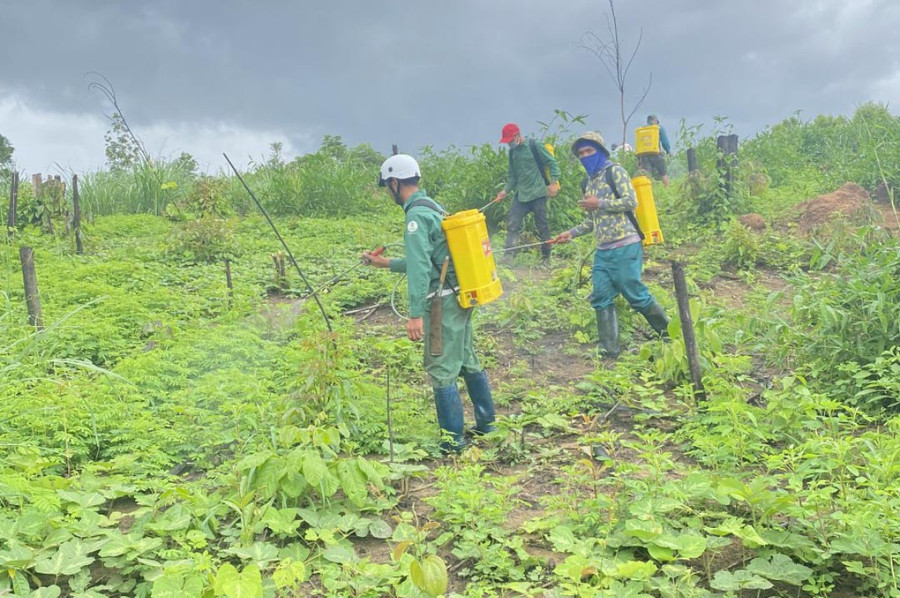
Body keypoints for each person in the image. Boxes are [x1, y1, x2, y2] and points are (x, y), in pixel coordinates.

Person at [362, 154, 496, 453]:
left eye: (388, 186)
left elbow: (422, 268)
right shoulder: (432, 206)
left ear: (395, 183)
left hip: (441, 303)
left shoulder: (415, 217)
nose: (388, 192)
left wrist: (414, 315)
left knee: (440, 365)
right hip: (460, 294)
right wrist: (386, 263)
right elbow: (430, 258)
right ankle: (488, 425)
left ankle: (453, 442)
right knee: (467, 358)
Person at [552, 132, 670, 357]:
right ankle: (609, 349)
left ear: (601, 151)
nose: (585, 156)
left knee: (634, 293)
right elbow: (592, 221)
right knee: (601, 295)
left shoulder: (615, 172)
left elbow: (631, 201)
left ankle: (671, 335)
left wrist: (601, 203)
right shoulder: (588, 182)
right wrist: (571, 233)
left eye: (589, 151)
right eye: (581, 153)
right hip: (603, 249)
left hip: (625, 244)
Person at [492, 123, 560, 264]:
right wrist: (504, 191)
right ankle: (508, 256)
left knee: (542, 225)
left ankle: (546, 258)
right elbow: (512, 176)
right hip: (522, 194)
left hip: (538, 193)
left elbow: (552, 162)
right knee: (512, 223)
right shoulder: (512, 153)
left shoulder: (534, 145)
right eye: (507, 142)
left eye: (511, 140)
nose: (509, 144)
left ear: (518, 135)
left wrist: (553, 183)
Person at [638, 114, 671, 187]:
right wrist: (668, 151)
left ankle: (649, 191)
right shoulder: (659, 128)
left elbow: (639, 144)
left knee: (647, 176)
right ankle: (668, 189)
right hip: (656, 154)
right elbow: (665, 142)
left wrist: (639, 158)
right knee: (663, 174)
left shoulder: (643, 130)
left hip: (645, 156)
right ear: (656, 121)